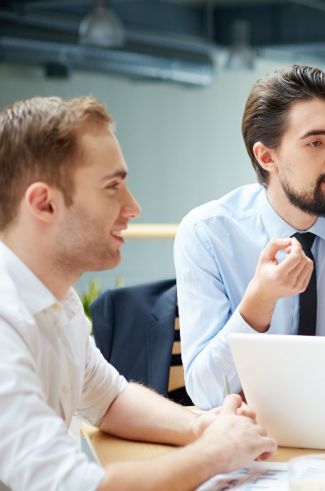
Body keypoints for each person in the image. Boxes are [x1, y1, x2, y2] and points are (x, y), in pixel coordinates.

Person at [0, 96, 276, 491]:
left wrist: (206, 426)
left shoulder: (58, 300)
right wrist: (212, 454)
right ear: (44, 204)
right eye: (112, 187)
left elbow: (109, 399)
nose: (133, 207)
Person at [175, 65, 325, 410]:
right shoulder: (206, 235)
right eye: (315, 142)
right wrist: (259, 302)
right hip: (254, 443)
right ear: (266, 156)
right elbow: (205, 392)